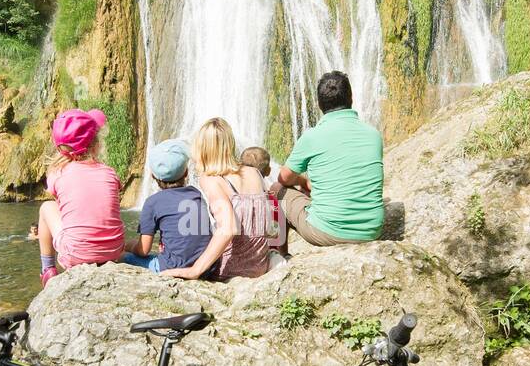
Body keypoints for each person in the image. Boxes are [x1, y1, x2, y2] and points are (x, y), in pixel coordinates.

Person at [274, 71, 383, 246]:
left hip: (328, 231)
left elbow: (284, 178)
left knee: (276, 189)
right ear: (351, 98)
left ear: (319, 104)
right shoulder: (374, 135)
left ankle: (281, 255)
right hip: (372, 230)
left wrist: (302, 181)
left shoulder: (311, 137)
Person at [162, 118, 271, 281]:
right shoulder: (253, 172)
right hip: (260, 264)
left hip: (230, 269)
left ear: (202, 149)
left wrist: (194, 270)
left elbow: (228, 229)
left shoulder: (211, 180)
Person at [38, 109, 128, 285]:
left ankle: (47, 269)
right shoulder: (110, 172)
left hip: (76, 256)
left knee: (47, 208)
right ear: (96, 145)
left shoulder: (58, 174)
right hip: (115, 251)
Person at [123, 139, 215, 275]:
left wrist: (128, 245)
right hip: (205, 268)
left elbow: (143, 250)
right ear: (186, 173)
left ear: (153, 175)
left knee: (121, 256)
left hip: (171, 268)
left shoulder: (153, 202)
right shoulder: (196, 194)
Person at [240, 145, 287, 254]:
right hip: (265, 254)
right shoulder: (272, 202)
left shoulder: (235, 199)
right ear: (268, 171)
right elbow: (277, 232)